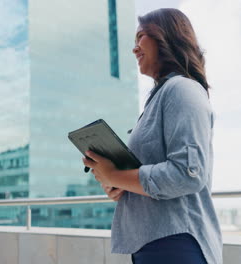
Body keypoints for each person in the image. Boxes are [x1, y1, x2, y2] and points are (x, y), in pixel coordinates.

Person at [82, 8, 222, 264]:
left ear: (166, 37)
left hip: (177, 244)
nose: (135, 48)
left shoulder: (182, 89)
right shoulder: (158, 99)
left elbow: (187, 175)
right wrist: (118, 183)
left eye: (141, 37)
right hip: (153, 243)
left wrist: (114, 174)